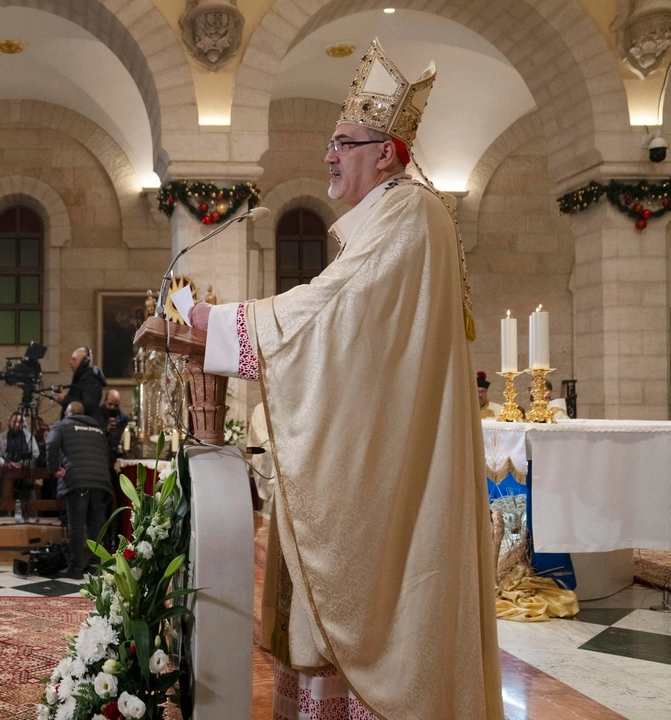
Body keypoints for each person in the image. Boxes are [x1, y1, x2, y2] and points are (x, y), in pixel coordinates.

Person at [189, 39, 501, 718]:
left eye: (343, 142)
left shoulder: (410, 214)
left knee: (389, 604)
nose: (329, 155)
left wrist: (223, 324)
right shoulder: (397, 219)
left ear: (384, 152)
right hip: (387, 449)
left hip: (401, 473)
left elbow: (330, 315)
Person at [46, 402, 112, 579]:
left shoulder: (61, 425)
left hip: (77, 480)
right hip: (100, 480)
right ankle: (94, 565)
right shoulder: (97, 428)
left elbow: (51, 444)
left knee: (76, 525)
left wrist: (53, 469)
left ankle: (75, 568)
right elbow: (106, 452)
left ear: (67, 413)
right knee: (94, 525)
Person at [51, 348, 106, 420]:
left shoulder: (91, 380)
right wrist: (62, 400)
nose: (70, 362)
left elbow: (89, 406)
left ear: (84, 362)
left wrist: (65, 399)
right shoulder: (81, 378)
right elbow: (78, 400)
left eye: (74, 359)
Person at [100, 389, 130, 454]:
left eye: (116, 405)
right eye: (110, 404)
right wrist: (107, 430)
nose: (112, 407)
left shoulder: (123, 418)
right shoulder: (97, 415)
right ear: (104, 401)